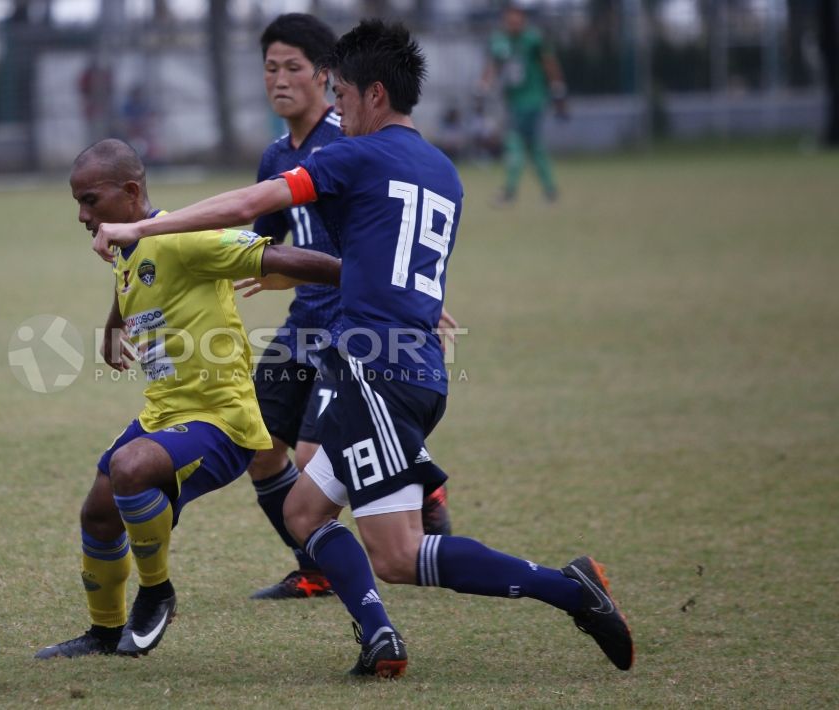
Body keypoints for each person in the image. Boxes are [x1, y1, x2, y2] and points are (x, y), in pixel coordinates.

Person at [93, 20, 634, 678]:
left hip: (374, 372)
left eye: (341, 93)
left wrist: (143, 225)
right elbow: (385, 260)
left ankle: (572, 590)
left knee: (399, 555)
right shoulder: (443, 171)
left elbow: (251, 200)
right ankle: (379, 635)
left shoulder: (356, 155)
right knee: (304, 511)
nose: (335, 105)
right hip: (402, 365)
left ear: (375, 95)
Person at [34, 139, 342, 659]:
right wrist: (113, 325)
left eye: (90, 200)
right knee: (98, 513)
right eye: (78, 204)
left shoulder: (185, 239)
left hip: (223, 422)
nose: (83, 215)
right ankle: (104, 633)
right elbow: (132, 273)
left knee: (131, 468)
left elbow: (276, 255)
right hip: (166, 412)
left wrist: (370, 279)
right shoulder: (129, 243)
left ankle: (157, 591)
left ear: (131, 192)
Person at [246, 12, 452, 602]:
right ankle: (314, 565)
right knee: (259, 444)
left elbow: (403, 234)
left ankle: (414, 476)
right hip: (305, 320)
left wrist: (426, 303)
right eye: (269, 68)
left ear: (324, 75)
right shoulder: (274, 157)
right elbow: (268, 243)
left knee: (317, 458)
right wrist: (261, 268)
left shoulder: (357, 141)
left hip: (354, 327)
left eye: (293, 67)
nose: (279, 80)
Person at [480, 3, 568, 204]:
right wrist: (482, 88)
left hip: (533, 99)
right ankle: (550, 190)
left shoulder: (533, 39)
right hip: (513, 101)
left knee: (514, 143)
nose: (514, 23)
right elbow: (492, 66)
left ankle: (510, 191)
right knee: (534, 146)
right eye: (510, 19)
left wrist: (558, 89)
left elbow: (549, 63)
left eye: (517, 19)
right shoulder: (500, 40)